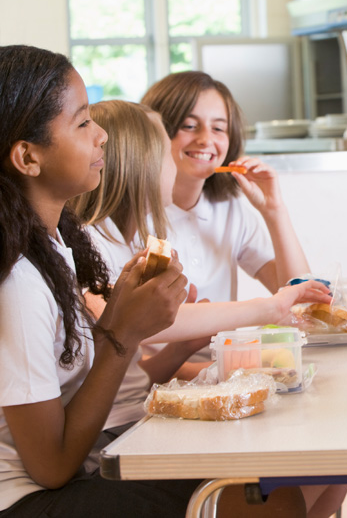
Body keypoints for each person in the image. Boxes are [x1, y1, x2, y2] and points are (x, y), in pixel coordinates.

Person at [70, 99, 341, 518]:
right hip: (115, 435)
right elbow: (120, 321)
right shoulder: (89, 244)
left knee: (332, 469)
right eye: (166, 154)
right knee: (287, 485)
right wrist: (265, 308)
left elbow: (132, 362)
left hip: (138, 415)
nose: (174, 166)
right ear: (142, 164)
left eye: (219, 127)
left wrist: (183, 347)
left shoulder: (135, 240)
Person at [0, 44, 200, 517]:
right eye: (83, 122)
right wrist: (122, 333)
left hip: (73, 474)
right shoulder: (18, 284)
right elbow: (51, 467)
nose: (102, 135)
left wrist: (124, 321)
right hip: (28, 501)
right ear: (28, 157)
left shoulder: (55, 247)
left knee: (243, 469)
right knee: (237, 488)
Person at [140, 71, 311, 378]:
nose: (206, 139)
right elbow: (129, 362)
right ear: (156, 135)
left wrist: (274, 211)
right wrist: (225, 370)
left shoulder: (229, 210)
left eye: (219, 128)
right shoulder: (132, 218)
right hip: (159, 383)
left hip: (223, 374)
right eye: (189, 126)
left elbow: (299, 296)